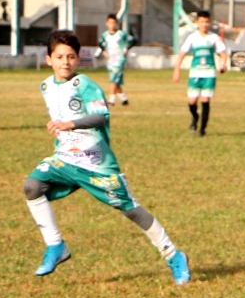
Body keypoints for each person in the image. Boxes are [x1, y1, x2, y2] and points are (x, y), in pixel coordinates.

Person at [22, 30, 190, 285]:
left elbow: (101, 116)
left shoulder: (85, 84)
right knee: (32, 186)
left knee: (131, 210)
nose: (65, 62)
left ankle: (174, 255)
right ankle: (56, 247)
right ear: (49, 59)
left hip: (96, 162)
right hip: (65, 160)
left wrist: (71, 123)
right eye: (59, 57)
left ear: (78, 59)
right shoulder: (45, 86)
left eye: (70, 57)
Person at [172, 10, 228, 136]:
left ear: (210, 23)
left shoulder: (214, 38)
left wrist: (223, 64)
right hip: (195, 74)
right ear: (197, 22)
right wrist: (177, 71)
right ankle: (195, 117)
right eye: (202, 21)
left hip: (209, 74)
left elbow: (223, 54)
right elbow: (182, 54)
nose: (204, 24)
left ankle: (202, 130)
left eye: (207, 21)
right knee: (192, 101)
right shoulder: (192, 37)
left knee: (205, 100)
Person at [97, 13, 132, 106]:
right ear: (107, 23)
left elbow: (132, 40)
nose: (112, 25)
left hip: (119, 58)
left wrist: (126, 49)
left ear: (117, 23)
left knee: (114, 78)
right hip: (110, 59)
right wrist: (103, 51)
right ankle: (124, 98)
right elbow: (100, 43)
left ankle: (111, 100)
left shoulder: (121, 34)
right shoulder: (105, 35)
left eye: (114, 23)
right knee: (116, 79)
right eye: (110, 23)